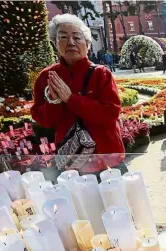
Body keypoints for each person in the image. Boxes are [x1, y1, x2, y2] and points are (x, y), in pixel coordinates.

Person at [31, 14, 125, 175]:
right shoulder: (46, 77)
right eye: (63, 37)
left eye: (77, 37)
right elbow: (43, 121)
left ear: (87, 44)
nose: (71, 42)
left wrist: (71, 99)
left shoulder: (101, 74)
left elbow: (110, 114)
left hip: (107, 156)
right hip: (72, 160)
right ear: (55, 43)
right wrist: (53, 102)